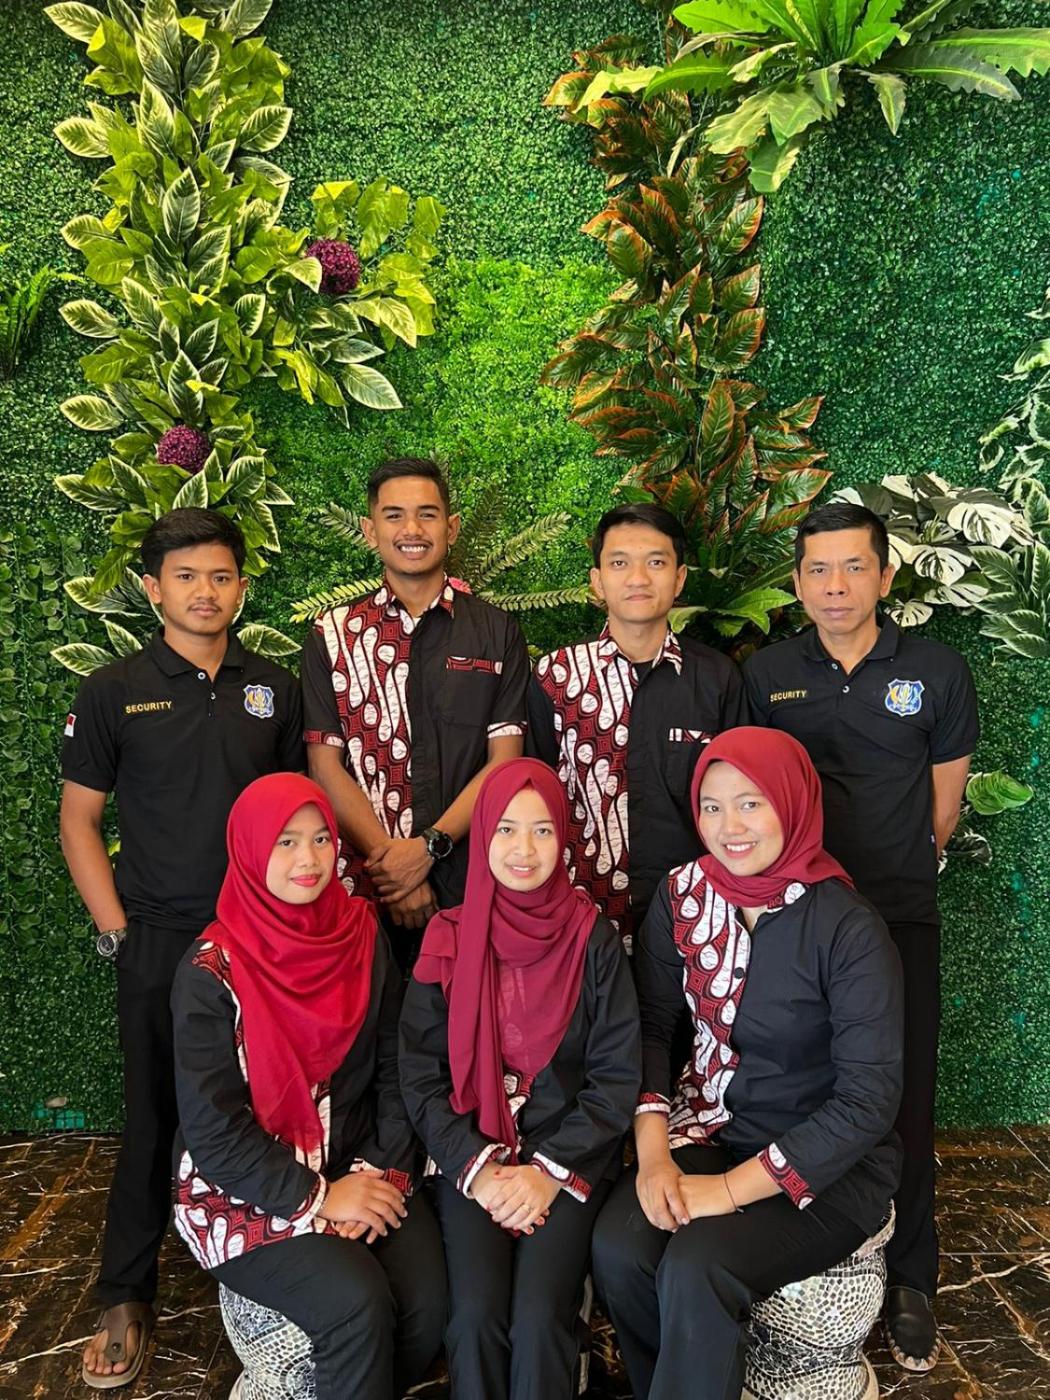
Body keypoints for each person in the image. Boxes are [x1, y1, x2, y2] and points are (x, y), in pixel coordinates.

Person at [60, 508, 304, 1389]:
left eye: (221, 576)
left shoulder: (273, 688)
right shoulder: (114, 690)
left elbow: (295, 812)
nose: (206, 592)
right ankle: (125, 1294)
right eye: (187, 576)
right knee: (155, 1114)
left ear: (241, 586)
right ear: (153, 589)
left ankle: (278, 1275)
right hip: (160, 938)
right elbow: (80, 820)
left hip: (259, 938)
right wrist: (116, 931)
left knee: (269, 1106)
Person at [592, 727, 903, 1400]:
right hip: (711, 1127)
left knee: (698, 1266)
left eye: (751, 803)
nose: (729, 827)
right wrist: (654, 1157)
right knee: (619, 1249)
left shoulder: (847, 927)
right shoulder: (682, 895)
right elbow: (652, 1027)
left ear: (791, 804)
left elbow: (868, 1100)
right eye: (712, 806)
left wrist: (727, 1192)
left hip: (827, 1164)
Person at [742, 501, 979, 1371]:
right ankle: (795, 1264)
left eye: (853, 567)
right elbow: (749, 795)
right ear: (798, 582)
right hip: (793, 925)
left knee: (903, 1095)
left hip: (898, 917)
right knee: (798, 1087)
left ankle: (912, 1276)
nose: (835, 585)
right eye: (818, 569)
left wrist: (892, 877)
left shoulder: (936, 671)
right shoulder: (766, 673)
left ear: (884, 575)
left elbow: (942, 809)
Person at [171, 773, 446, 1400]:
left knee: (428, 1301)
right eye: (286, 842)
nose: (309, 859)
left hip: (358, 1162)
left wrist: (375, 1173)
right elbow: (215, 1133)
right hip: (248, 1189)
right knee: (355, 1303)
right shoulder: (210, 973)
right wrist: (321, 1198)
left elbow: (394, 1068)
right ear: (249, 850)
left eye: (322, 839)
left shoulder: (360, 933)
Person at [398, 758, 641, 1400]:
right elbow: (420, 1076)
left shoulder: (593, 939)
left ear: (564, 837)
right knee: (475, 1317)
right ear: (482, 836)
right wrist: (480, 1170)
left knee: (538, 1320)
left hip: (568, 1161)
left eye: (542, 830)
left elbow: (616, 1078)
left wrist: (546, 1173)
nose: (524, 850)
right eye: (505, 829)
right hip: (471, 1159)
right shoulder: (448, 938)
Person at [302, 456, 530, 968]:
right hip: (366, 889)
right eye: (394, 516)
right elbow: (324, 767)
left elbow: (506, 761)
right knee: (371, 1014)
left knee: (469, 1014)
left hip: (472, 882)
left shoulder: (496, 631)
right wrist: (394, 867)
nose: (411, 530)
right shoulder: (331, 636)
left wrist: (427, 849)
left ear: (451, 528)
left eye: (427, 514)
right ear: (370, 530)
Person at [527, 503, 748, 947]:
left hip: (694, 913)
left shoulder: (717, 679)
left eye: (656, 563)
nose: (638, 578)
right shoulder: (557, 676)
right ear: (597, 580)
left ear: (679, 579)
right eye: (619, 563)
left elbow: (743, 797)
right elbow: (532, 792)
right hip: (580, 916)